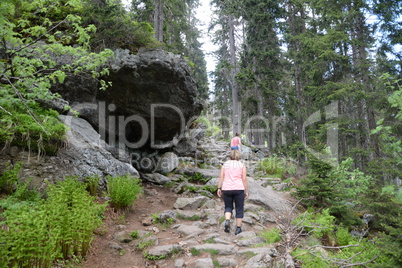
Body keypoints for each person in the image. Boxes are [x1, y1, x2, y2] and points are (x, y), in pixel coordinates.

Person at [217, 149, 248, 235]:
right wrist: (246, 190)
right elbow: (244, 179)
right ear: (238, 156)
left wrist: (219, 188)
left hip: (226, 188)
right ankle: (238, 228)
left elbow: (221, 177)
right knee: (239, 208)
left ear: (230, 156)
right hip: (239, 188)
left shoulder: (225, 164)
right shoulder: (242, 165)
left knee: (228, 206)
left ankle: (227, 221)